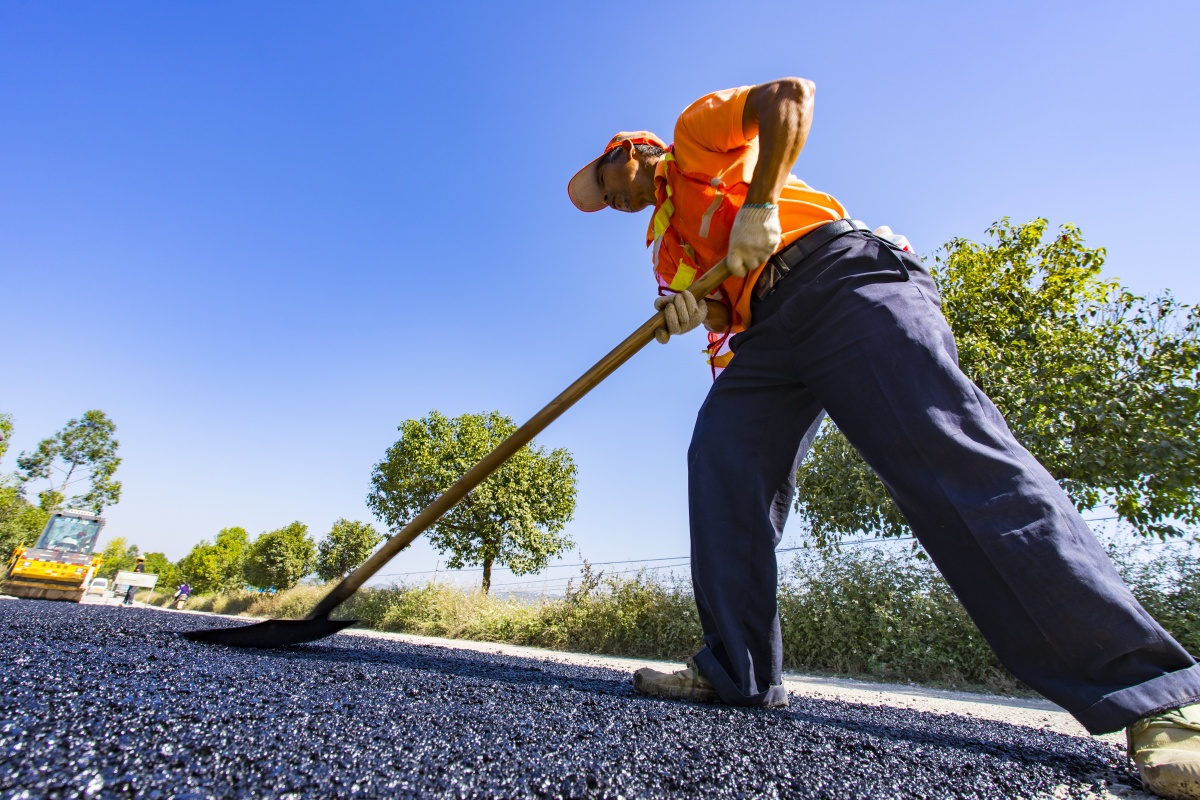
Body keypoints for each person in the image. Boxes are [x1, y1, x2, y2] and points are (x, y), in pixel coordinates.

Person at [567, 78, 1200, 799]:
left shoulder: (694, 139)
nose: (607, 198)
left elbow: (787, 97)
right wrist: (692, 309)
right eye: (601, 197)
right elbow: (720, 305)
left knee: (946, 455)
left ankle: (1156, 694)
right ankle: (735, 671)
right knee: (721, 459)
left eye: (605, 179)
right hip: (768, 337)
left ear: (632, 151)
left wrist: (764, 204)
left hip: (843, 278)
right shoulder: (668, 242)